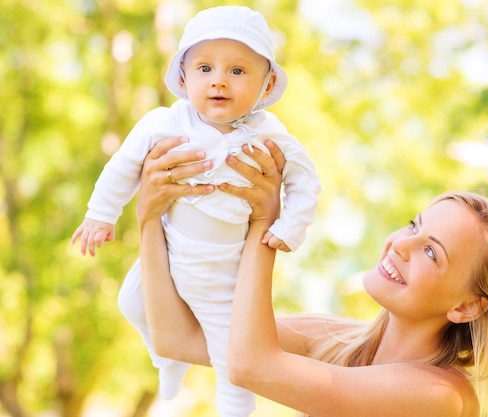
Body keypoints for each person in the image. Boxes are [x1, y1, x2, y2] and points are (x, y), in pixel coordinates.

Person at [135, 137, 488, 417]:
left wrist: (266, 225)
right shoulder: (337, 340)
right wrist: (149, 219)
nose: (400, 244)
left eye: (430, 252)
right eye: (414, 225)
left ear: (466, 306)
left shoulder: (440, 397)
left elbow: (250, 365)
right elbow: (180, 339)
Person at [70, 5, 320, 415]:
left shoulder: (271, 134)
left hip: (221, 269)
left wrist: (292, 226)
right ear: (184, 78)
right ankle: (168, 361)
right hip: (169, 247)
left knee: (233, 355)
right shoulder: (165, 122)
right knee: (131, 303)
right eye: (205, 68)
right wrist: (101, 214)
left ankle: (236, 410)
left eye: (238, 72)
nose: (219, 80)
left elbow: (305, 182)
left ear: (267, 82)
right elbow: (123, 167)